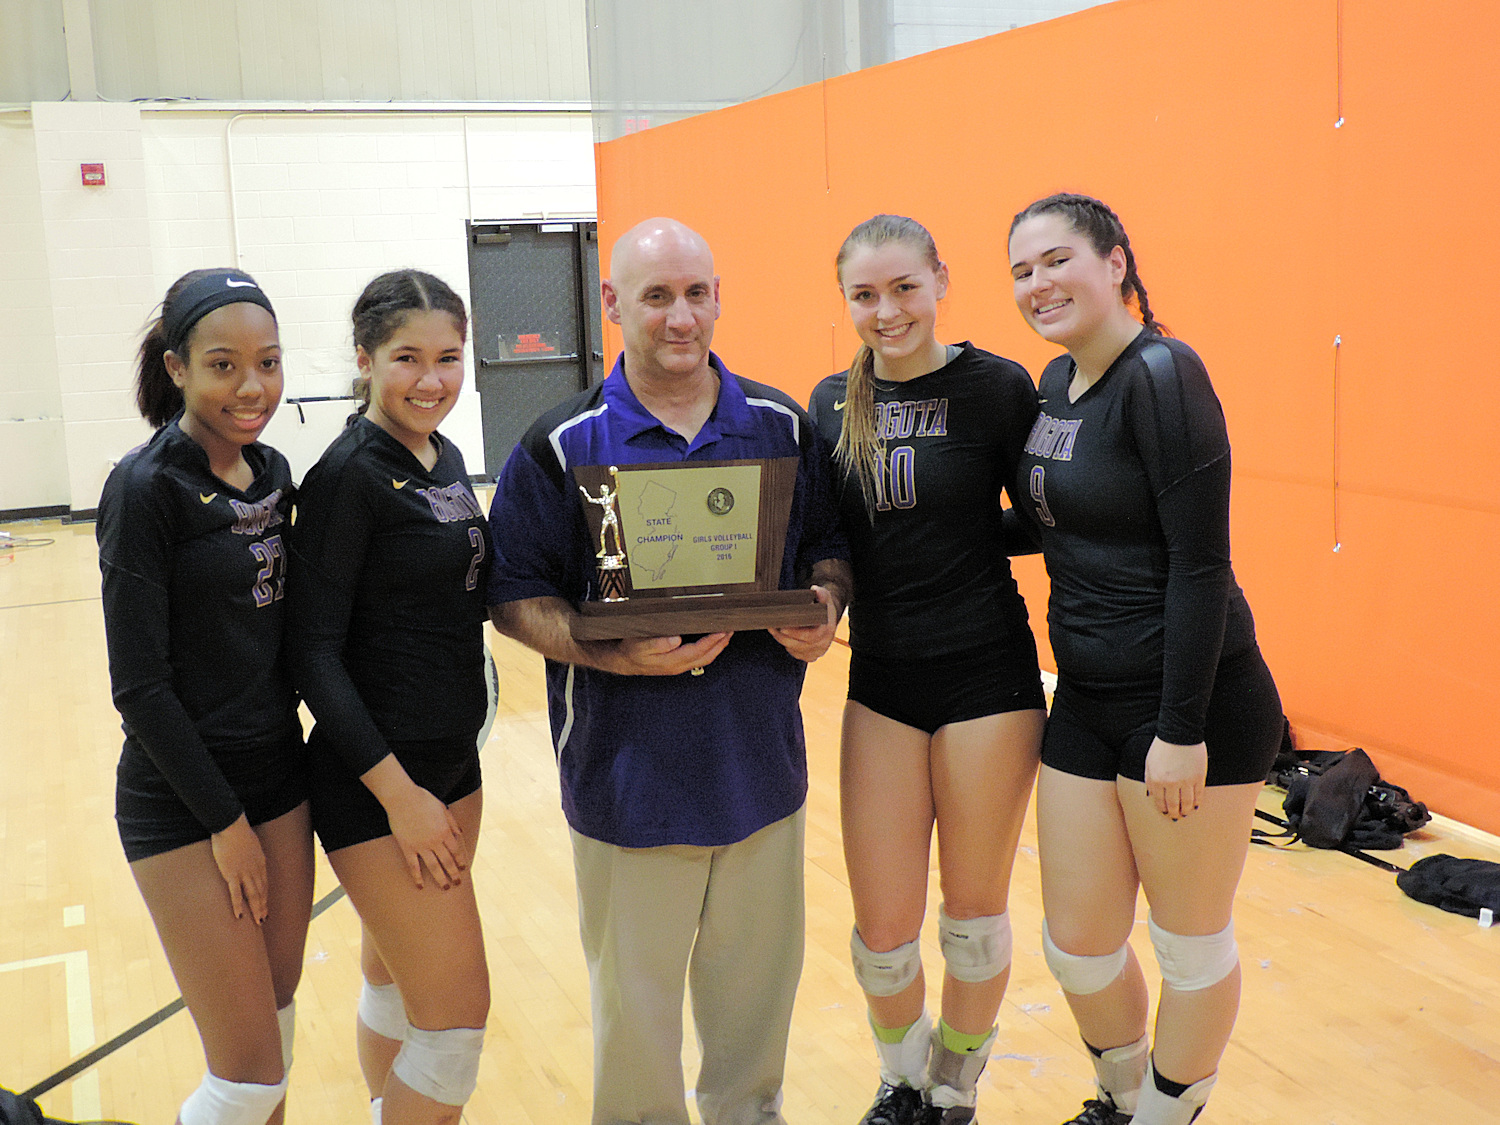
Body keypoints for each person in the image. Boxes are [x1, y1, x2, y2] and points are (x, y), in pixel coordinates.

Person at [485, 217, 852, 1125]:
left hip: (760, 773)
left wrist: (825, 606)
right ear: (613, 303)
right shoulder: (561, 441)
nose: (679, 317)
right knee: (636, 1031)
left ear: (719, 297)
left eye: (695, 293)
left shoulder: (780, 425)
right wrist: (607, 650)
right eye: (656, 296)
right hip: (627, 784)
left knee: (753, 1026)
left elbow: (830, 548)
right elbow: (515, 595)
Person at [1006, 194, 1283, 1125]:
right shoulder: (1054, 383)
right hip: (1085, 699)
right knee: (1078, 946)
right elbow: (1054, 518)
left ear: (1115, 261)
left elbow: (1202, 566)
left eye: (1057, 260)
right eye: (1022, 270)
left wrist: (1181, 729)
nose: (1038, 284)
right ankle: (1125, 1100)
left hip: (1190, 706)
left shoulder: (1164, 374)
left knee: (1188, 948)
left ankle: (1169, 1113)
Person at [806, 216, 1048, 1125]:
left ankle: (952, 1089)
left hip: (988, 675)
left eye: (905, 286)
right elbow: (828, 539)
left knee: (973, 918)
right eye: (865, 294)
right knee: (882, 930)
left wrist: (966, 534)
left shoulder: (997, 387)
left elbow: (1045, 514)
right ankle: (900, 1079)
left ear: (941, 278)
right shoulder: (831, 401)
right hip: (884, 678)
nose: (888, 310)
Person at [98, 268, 311, 1125]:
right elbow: (139, 688)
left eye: (269, 362)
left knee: (273, 1043)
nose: (252, 386)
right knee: (246, 1078)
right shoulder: (144, 488)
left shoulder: (273, 472)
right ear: (178, 367)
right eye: (224, 365)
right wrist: (226, 823)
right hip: (184, 800)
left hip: (279, 778)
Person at [287, 270, 492, 1125]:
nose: (431, 379)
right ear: (365, 357)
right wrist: (400, 795)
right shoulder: (348, 475)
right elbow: (312, 655)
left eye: (449, 357)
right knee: (454, 1026)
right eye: (408, 357)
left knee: (394, 978)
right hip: (379, 784)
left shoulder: (442, 457)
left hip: (453, 763)